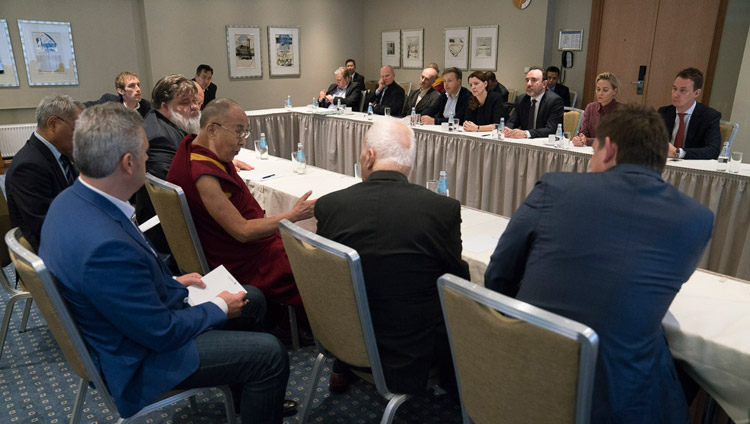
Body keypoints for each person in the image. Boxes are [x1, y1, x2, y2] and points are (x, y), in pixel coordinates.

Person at [39, 103, 293, 423]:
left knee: (251, 298)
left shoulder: (69, 201)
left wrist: (172, 282)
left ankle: (252, 395)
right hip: (137, 358)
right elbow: (162, 333)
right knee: (270, 354)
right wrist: (216, 307)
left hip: (126, 323)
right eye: (145, 154)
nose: (149, 161)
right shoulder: (105, 246)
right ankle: (258, 380)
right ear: (128, 163)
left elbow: (118, 291)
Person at [484, 103, 713, 423]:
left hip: (526, 374)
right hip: (620, 397)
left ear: (608, 150)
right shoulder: (698, 219)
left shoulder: (556, 187)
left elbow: (498, 276)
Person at [315, 118, 470, 395]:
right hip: (411, 351)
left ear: (370, 156)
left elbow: (328, 282)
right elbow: (456, 284)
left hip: (343, 337)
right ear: (410, 162)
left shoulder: (330, 206)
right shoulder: (442, 210)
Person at [167, 98, 315, 309]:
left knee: (308, 250)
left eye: (245, 132)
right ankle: (302, 330)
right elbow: (243, 231)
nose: (243, 141)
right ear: (211, 130)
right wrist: (294, 215)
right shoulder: (205, 176)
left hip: (244, 246)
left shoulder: (194, 150)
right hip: (246, 259)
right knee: (316, 267)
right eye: (238, 132)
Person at [5, 94, 83, 251]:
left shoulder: (60, 153)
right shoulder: (28, 167)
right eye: (77, 129)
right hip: (53, 253)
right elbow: (45, 229)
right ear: (53, 124)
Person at [135, 74, 202, 255]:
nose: (194, 107)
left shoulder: (164, 124)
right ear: (164, 106)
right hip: (168, 230)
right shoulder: (158, 138)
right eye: (185, 102)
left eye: (195, 101)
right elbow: (181, 187)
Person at [658, 67, 721, 160]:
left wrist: (679, 153)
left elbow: (712, 151)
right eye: (674, 88)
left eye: (683, 90)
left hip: (692, 169)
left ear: (696, 93)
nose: (675, 94)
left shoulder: (709, 116)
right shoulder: (663, 113)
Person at [504, 67, 564, 139]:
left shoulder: (555, 101)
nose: (528, 84)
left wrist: (527, 133)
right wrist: (507, 130)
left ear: (544, 84)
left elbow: (552, 129)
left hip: (545, 143)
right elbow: (512, 121)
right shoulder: (522, 99)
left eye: (533, 80)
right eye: (527, 80)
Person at [572, 72, 621, 147]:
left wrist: (588, 141)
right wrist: (579, 139)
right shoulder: (590, 107)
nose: (600, 93)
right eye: (598, 89)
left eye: (605, 90)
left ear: (614, 91)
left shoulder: (621, 110)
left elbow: (614, 139)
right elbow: (583, 132)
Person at [84, 71, 152, 117]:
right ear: (121, 91)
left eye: (138, 85)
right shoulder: (111, 102)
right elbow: (82, 107)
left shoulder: (146, 106)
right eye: (131, 86)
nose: (138, 89)